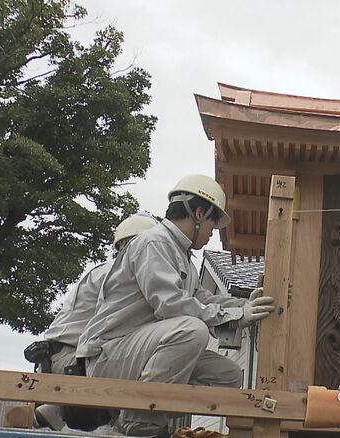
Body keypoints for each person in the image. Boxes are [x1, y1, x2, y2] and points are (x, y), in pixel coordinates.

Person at [76, 174, 276, 437]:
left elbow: (202, 298)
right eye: (212, 228)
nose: (210, 236)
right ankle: (138, 422)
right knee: (192, 330)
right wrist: (236, 315)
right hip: (110, 355)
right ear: (199, 213)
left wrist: (243, 304)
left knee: (227, 375)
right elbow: (171, 305)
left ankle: (147, 414)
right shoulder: (154, 243)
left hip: (141, 352)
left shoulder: (181, 257)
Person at [28, 214, 158, 431]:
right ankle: (116, 426)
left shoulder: (103, 270)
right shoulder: (122, 275)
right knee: (145, 352)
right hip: (74, 362)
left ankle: (58, 411)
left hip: (56, 359)